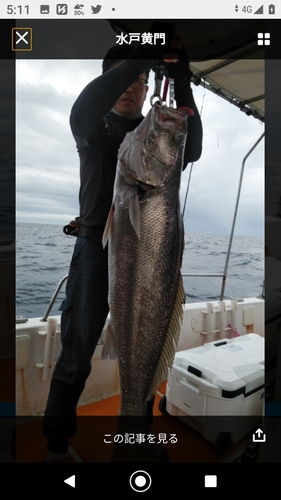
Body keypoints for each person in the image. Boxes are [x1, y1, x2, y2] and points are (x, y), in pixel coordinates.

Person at [43, 34, 203, 462]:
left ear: (150, 88)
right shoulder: (94, 128)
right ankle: (56, 447)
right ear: (108, 82)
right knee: (76, 358)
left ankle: (136, 434)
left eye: (140, 82)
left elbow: (194, 143)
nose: (132, 89)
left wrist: (181, 77)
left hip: (152, 250)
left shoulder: (149, 133)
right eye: (122, 81)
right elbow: (83, 108)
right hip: (95, 253)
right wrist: (135, 62)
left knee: (145, 347)